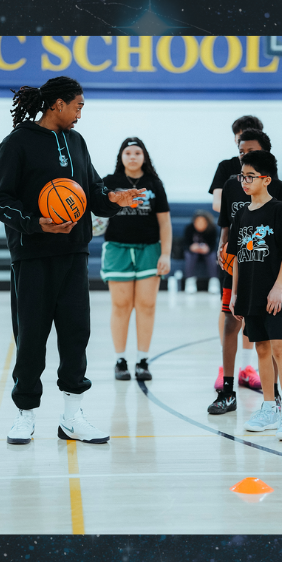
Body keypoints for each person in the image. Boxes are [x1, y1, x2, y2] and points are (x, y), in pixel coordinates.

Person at [0, 76, 143, 446]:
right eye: (78, 106)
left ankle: (72, 419)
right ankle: (25, 416)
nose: (79, 114)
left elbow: (92, 192)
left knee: (76, 336)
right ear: (57, 104)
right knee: (31, 340)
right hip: (33, 255)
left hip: (74, 254)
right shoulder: (17, 143)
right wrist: (35, 224)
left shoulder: (76, 142)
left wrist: (115, 200)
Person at [209, 128, 282, 415]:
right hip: (238, 263)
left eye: (250, 150)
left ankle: (275, 394)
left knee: (271, 337)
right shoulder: (233, 185)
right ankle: (227, 391)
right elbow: (226, 224)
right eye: (241, 151)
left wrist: (279, 282)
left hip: (266, 268)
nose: (244, 155)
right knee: (231, 322)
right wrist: (222, 247)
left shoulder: (277, 188)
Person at [227, 150, 282, 439]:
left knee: (279, 349)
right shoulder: (242, 214)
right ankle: (269, 406)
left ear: (266, 179)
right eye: (242, 176)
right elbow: (235, 257)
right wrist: (235, 294)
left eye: (250, 177)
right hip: (248, 294)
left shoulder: (278, 210)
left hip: (272, 294)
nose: (244, 182)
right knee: (260, 349)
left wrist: (278, 288)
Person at [100, 137, 171, 381]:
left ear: (144, 156)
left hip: (149, 250)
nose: (132, 156)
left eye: (137, 152)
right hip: (117, 249)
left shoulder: (154, 183)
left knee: (147, 306)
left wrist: (166, 254)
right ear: (121, 156)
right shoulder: (109, 183)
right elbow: (96, 213)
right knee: (120, 306)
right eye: (128, 152)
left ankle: (142, 360)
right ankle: (120, 360)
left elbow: (164, 221)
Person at [209, 115, 264, 213]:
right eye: (241, 136)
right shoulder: (225, 166)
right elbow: (217, 203)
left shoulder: (266, 165)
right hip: (233, 224)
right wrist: (240, 217)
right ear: (235, 139)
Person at [182, 210, 219, 292]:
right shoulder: (189, 228)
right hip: (193, 253)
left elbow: (214, 246)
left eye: (202, 222)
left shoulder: (212, 229)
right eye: (197, 222)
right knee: (189, 255)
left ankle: (214, 282)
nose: (200, 224)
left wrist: (207, 248)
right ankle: (190, 282)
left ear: (207, 222)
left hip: (207, 253)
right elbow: (185, 244)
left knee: (212, 256)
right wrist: (191, 247)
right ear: (194, 222)